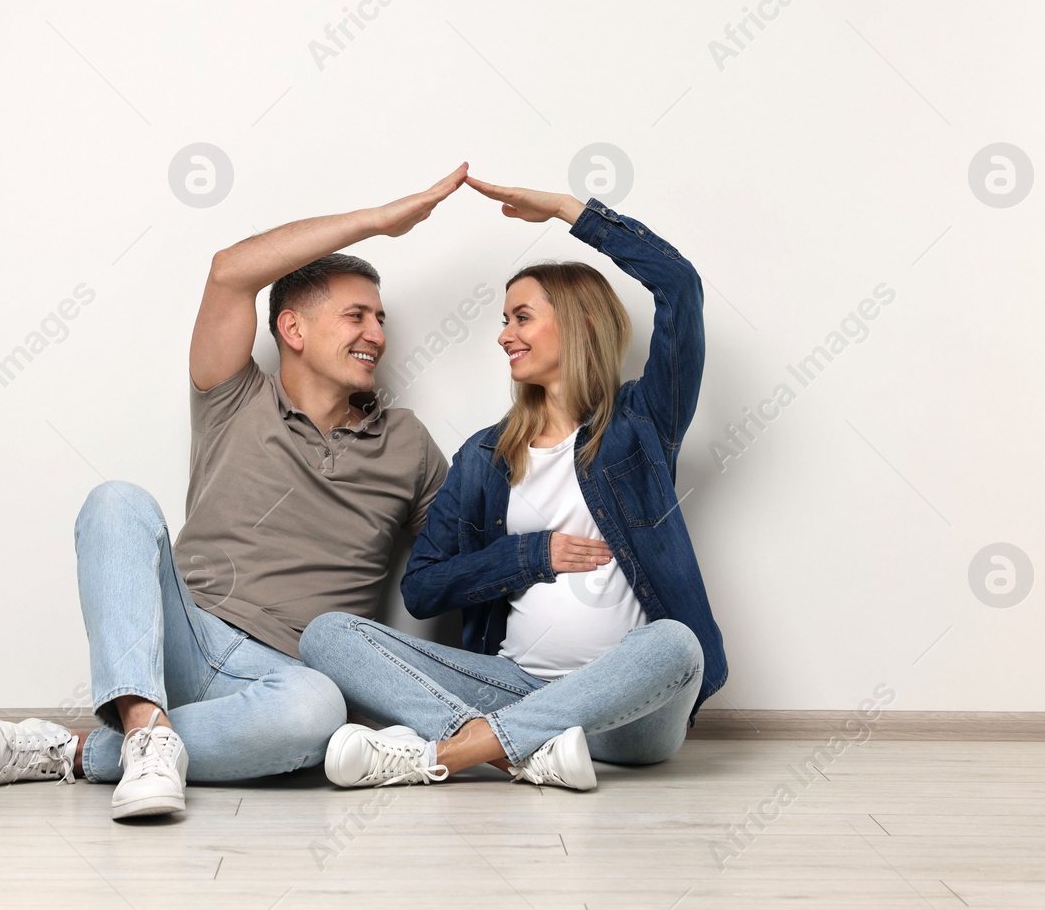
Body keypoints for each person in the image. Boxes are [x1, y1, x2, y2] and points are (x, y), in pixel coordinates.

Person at [0, 166, 465, 818]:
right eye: (356, 315)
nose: (376, 334)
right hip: (184, 640)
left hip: (288, 676)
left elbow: (453, 568)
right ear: (293, 329)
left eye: (381, 319)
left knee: (318, 711)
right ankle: (143, 718)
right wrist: (377, 220)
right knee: (117, 501)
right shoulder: (237, 395)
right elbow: (230, 270)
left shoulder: (408, 443)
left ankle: (81, 752)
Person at [300, 176, 727, 790]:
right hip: (512, 687)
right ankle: (522, 750)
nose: (504, 335)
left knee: (678, 645)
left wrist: (564, 210)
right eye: (505, 320)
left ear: (579, 321)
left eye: (521, 317)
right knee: (328, 636)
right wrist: (529, 556)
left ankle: (459, 749)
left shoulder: (641, 425)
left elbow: (680, 287)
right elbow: (422, 589)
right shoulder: (485, 455)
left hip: (630, 714)